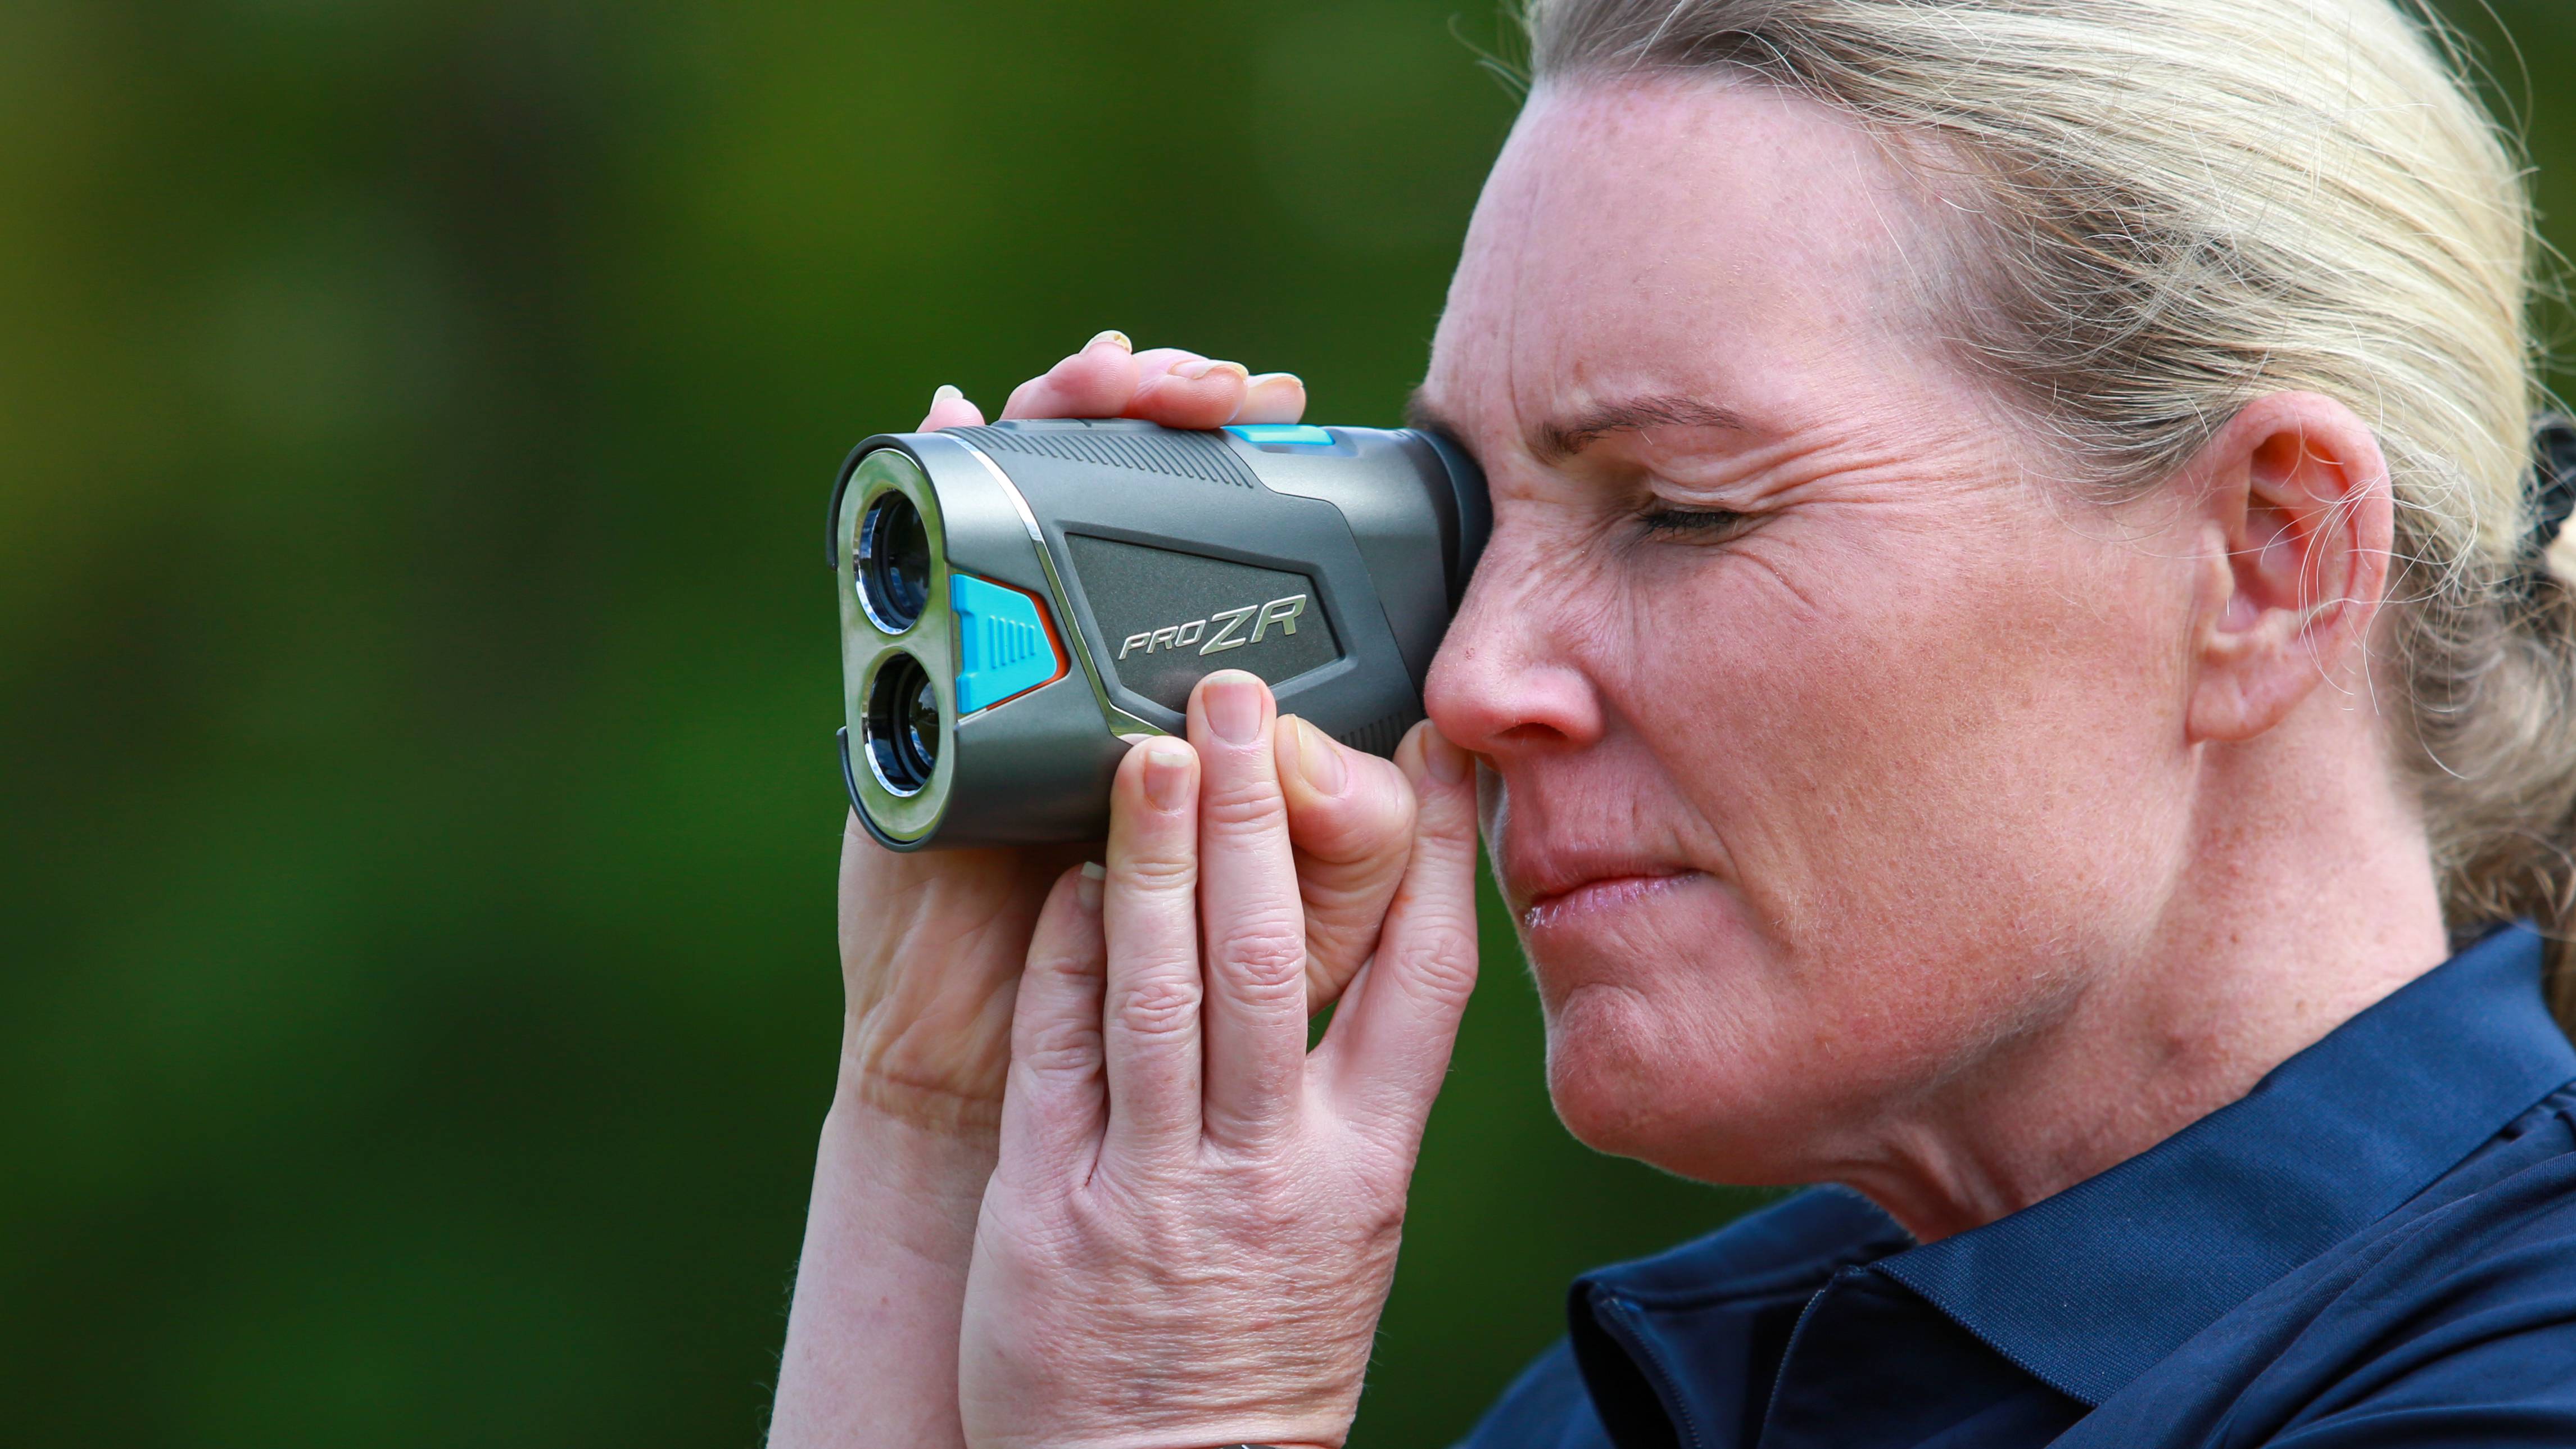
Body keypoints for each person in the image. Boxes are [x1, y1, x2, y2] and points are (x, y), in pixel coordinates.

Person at [768, 0, 2576, 1445]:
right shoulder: (1669, 1393)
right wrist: (940, 1114)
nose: (1474, 678)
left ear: (2268, 561)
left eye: (1681, 510)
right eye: (1459, 516)